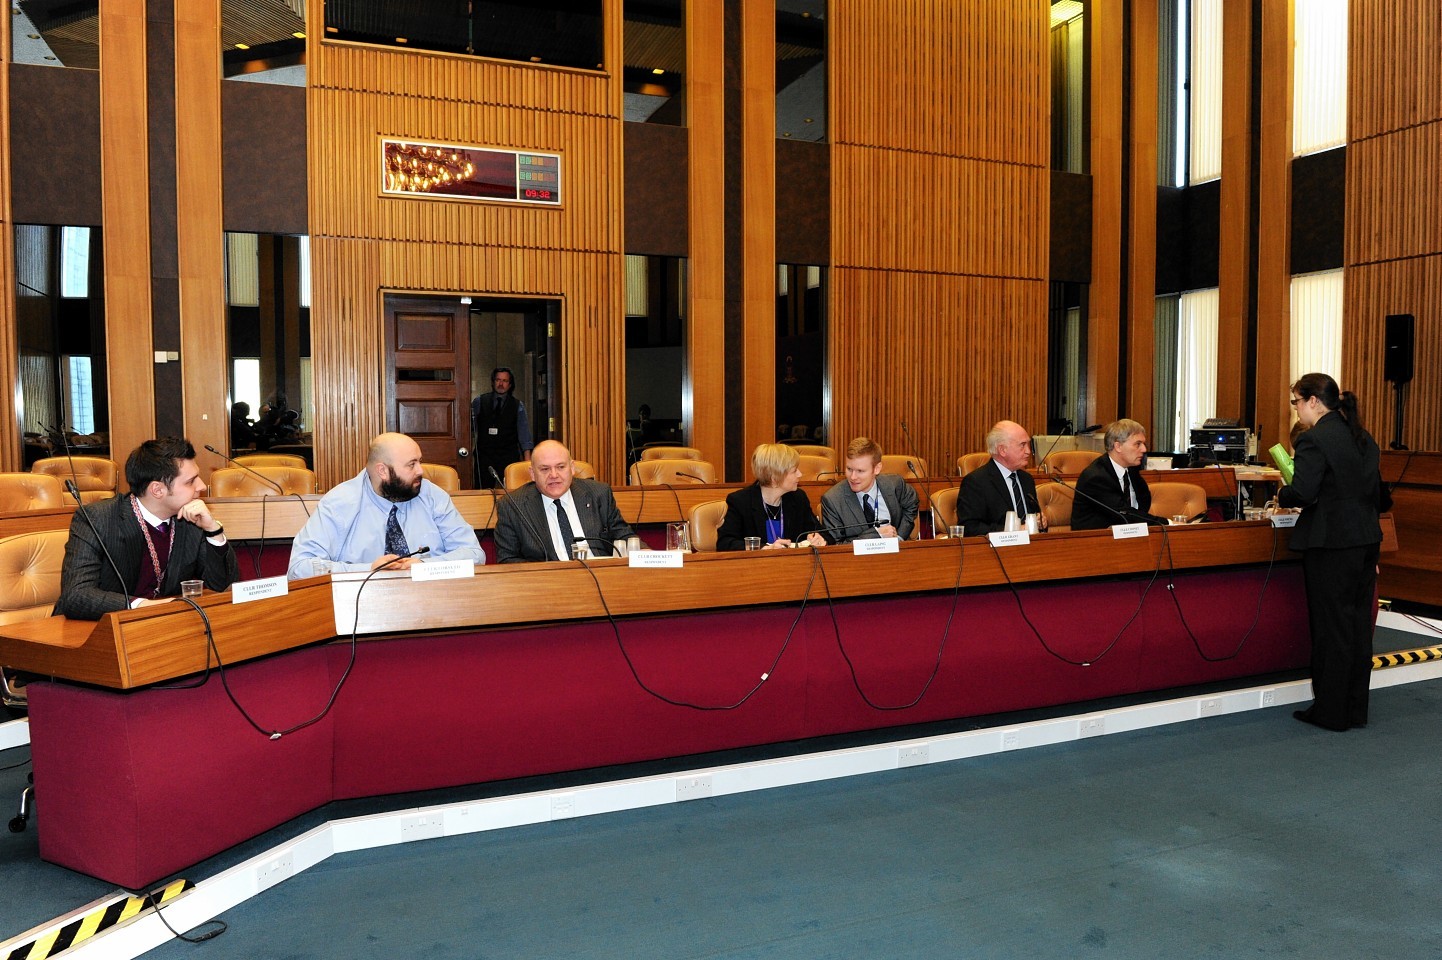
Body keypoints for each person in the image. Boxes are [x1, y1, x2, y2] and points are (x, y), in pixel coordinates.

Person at [1276, 373, 1383, 732]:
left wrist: (1282, 496)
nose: (1296, 411)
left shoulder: (1315, 440)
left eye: (1296, 402)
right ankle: (1355, 710)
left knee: (1331, 629)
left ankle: (1330, 712)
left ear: (1312, 402)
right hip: (1367, 539)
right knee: (1356, 628)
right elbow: (1380, 495)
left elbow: (1303, 492)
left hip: (1331, 543)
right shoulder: (1362, 437)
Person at [56, 437, 240, 620]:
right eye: (190, 481)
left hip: (163, 626)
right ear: (157, 490)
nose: (201, 486)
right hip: (96, 630)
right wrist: (143, 606)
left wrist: (213, 530)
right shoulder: (97, 519)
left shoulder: (190, 520)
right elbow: (75, 596)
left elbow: (222, 585)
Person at [287, 432, 484, 578]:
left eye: (420, 462)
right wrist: (370, 570)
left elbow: (475, 555)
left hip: (432, 601)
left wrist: (424, 564)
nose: (421, 471)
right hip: (363, 608)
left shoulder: (432, 496)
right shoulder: (339, 503)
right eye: (411, 464)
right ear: (382, 471)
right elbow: (299, 568)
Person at [495, 440, 635, 562]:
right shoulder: (512, 505)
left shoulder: (598, 494)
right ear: (532, 474)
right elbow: (508, 559)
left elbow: (623, 536)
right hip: (548, 583)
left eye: (561, 467)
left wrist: (644, 554)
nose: (554, 475)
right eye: (545, 469)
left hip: (601, 575)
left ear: (572, 468)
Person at [717, 444, 827, 550]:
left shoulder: (798, 498)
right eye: (794, 471)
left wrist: (820, 539)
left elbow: (824, 533)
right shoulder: (741, 501)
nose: (800, 474)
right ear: (774, 478)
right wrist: (764, 548)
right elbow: (725, 542)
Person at [1070, 419, 1168, 530]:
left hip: (1130, 537)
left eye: (1144, 444)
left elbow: (1143, 503)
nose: (1144, 449)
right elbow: (1124, 512)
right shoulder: (1096, 477)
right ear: (1118, 446)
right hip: (1095, 541)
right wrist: (1167, 523)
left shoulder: (1132, 469)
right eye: (1138, 444)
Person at [956, 420, 1048, 535]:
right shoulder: (976, 482)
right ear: (1002, 450)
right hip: (997, 550)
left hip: (1031, 548)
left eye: (1028, 445)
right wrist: (1014, 531)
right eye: (1022, 445)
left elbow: (1032, 521)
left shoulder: (1027, 479)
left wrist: (1039, 522)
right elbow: (970, 528)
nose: (1028, 451)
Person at [820, 437, 918, 543]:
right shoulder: (832, 500)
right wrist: (876, 535)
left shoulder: (894, 484)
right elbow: (836, 545)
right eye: (849, 469)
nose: (853, 477)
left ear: (877, 469)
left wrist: (899, 538)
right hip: (856, 559)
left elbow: (912, 503)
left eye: (860, 471)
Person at [472, 367, 532, 488]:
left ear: (510, 385)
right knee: (482, 492)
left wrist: (527, 463)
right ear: (493, 382)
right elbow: (468, 429)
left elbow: (524, 436)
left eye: (504, 381)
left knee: (511, 491)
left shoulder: (517, 405)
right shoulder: (479, 401)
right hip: (484, 456)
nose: (501, 384)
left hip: (508, 456)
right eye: (498, 380)